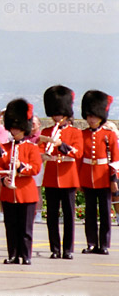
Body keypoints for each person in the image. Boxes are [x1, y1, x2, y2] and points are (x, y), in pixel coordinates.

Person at [0, 99, 41, 265]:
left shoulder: (32, 148)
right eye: (12, 127)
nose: (14, 131)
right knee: (11, 227)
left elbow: (35, 168)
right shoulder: (6, 147)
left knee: (26, 229)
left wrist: (20, 167)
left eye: (18, 128)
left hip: (26, 193)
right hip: (9, 193)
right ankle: (13, 254)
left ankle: (26, 255)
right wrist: (4, 179)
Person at [38, 85, 81, 259]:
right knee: (52, 216)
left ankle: (68, 249)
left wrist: (60, 146)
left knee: (69, 216)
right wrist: (43, 154)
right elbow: (39, 151)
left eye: (59, 114)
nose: (56, 117)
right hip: (51, 178)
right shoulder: (46, 132)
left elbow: (78, 152)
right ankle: (55, 248)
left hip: (68, 177)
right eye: (54, 114)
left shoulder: (75, 132)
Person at [78, 90, 118, 255]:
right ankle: (92, 243)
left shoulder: (109, 135)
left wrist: (113, 179)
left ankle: (105, 244)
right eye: (89, 116)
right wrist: (78, 180)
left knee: (105, 212)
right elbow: (80, 159)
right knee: (90, 213)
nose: (91, 119)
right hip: (87, 177)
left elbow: (115, 159)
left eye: (94, 116)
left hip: (103, 178)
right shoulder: (83, 134)